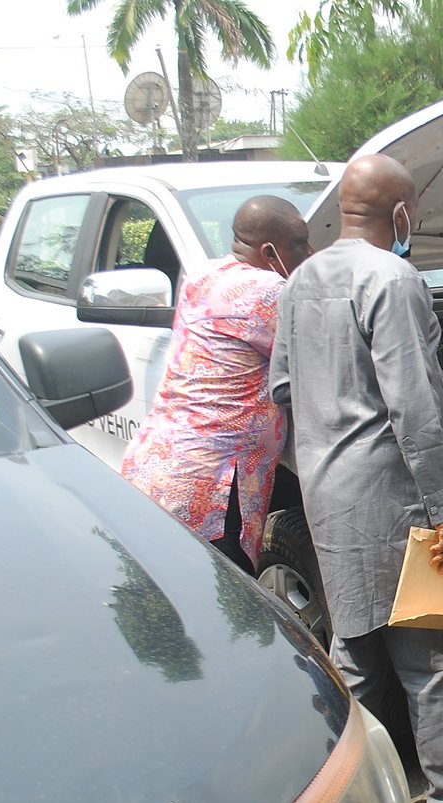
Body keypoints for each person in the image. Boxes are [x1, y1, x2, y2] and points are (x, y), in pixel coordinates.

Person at [269, 155, 443, 803]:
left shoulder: (299, 280)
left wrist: (321, 458)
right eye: (413, 210)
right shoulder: (393, 276)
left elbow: (282, 389)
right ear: (399, 213)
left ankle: (341, 791)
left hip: (327, 493)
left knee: (356, 657)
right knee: (434, 663)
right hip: (395, 497)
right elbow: (414, 403)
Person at [122, 196, 310, 573]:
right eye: (301, 244)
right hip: (212, 487)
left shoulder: (203, 275)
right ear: (270, 251)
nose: (310, 253)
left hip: (157, 467)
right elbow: (321, 362)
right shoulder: (270, 291)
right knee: (222, 601)